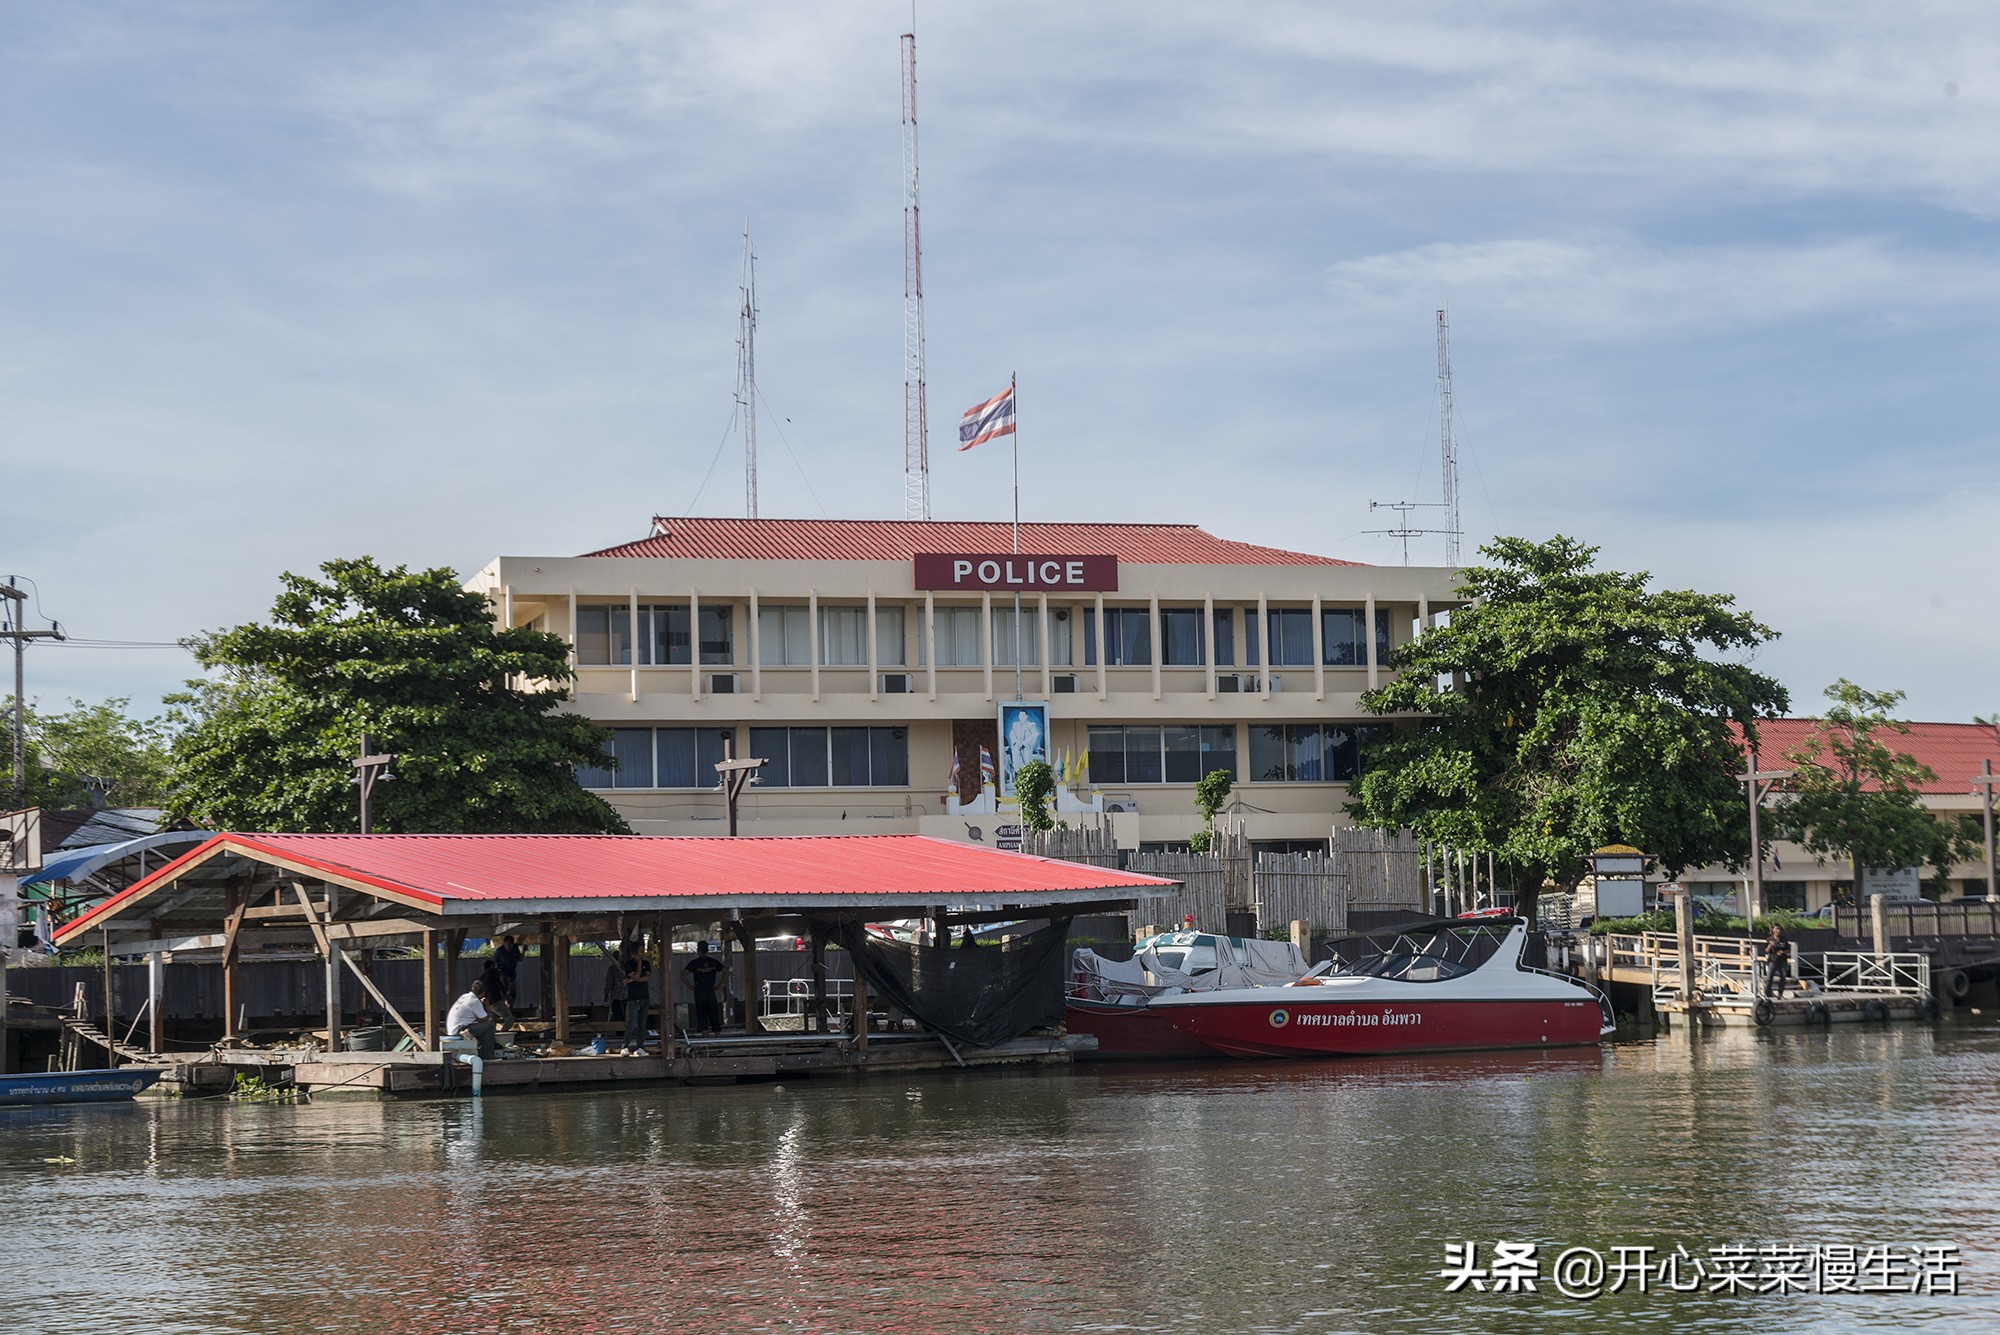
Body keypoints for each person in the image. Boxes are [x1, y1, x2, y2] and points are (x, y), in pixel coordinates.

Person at [446, 979, 497, 1060]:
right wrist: (486, 1005)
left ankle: (480, 1049)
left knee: (482, 1027)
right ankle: (487, 1054)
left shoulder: (464, 996)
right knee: (490, 1026)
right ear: (483, 993)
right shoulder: (475, 1001)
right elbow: (486, 1019)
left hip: (454, 1029)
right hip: (460, 1030)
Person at [683, 940, 726, 1036]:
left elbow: (683, 975)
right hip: (710, 990)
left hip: (699, 991)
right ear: (707, 950)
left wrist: (690, 986)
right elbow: (726, 972)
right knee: (714, 1013)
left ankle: (705, 1037)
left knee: (702, 1014)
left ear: (698, 950)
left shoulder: (694, 963)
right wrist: (719, 984)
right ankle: (718, 1036)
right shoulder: (713, 962)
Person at [621, 947, 652, 1054]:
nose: (643, 953)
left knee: (642, 1024)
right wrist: (639, 963)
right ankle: (625, 1046)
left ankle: (640, 1047)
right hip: (633, 997)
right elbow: (637, 975)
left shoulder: (646, 963)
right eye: (641, 951)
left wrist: (632, 980)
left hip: (644, 996)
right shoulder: (628, 964)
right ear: (634, 953)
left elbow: (647, 978)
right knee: (633, 1023)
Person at [1762, 925, 1792, 998]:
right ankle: (1767, 993)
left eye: (1779, 929)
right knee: (1769, 978)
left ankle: (1780, 994)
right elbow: (1766, 951)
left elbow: (1789, 949)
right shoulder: (1770, 939)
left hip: (1782, 961)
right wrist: (1770, 945)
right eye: (1776, 929)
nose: (1778, 930)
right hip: (1773, 960)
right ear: (1773, 930)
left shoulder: (1783, 939)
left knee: (1782, 978)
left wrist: (1783, 952)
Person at [492, 935, 522, 1006]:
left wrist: (524, 950)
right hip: (502, 974)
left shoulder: (515, 949)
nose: (508, 946)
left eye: (510, 944)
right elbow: (493, 962)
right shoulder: (500, 951)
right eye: (507, 944)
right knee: (504, 992)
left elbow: (520, 958)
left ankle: (511, 1007)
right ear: (504, 943)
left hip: (511, 974)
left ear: (512, 944)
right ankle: (504, 1005)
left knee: (513, 992)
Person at [602, 948, 627, 1024]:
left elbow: (609, 983)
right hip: (627, 995)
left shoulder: (612, 969)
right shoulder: (626, 968)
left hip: (617, 997)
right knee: (626, 1017)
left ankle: (620, 1034)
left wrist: (606, 994)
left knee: (618, 1018)